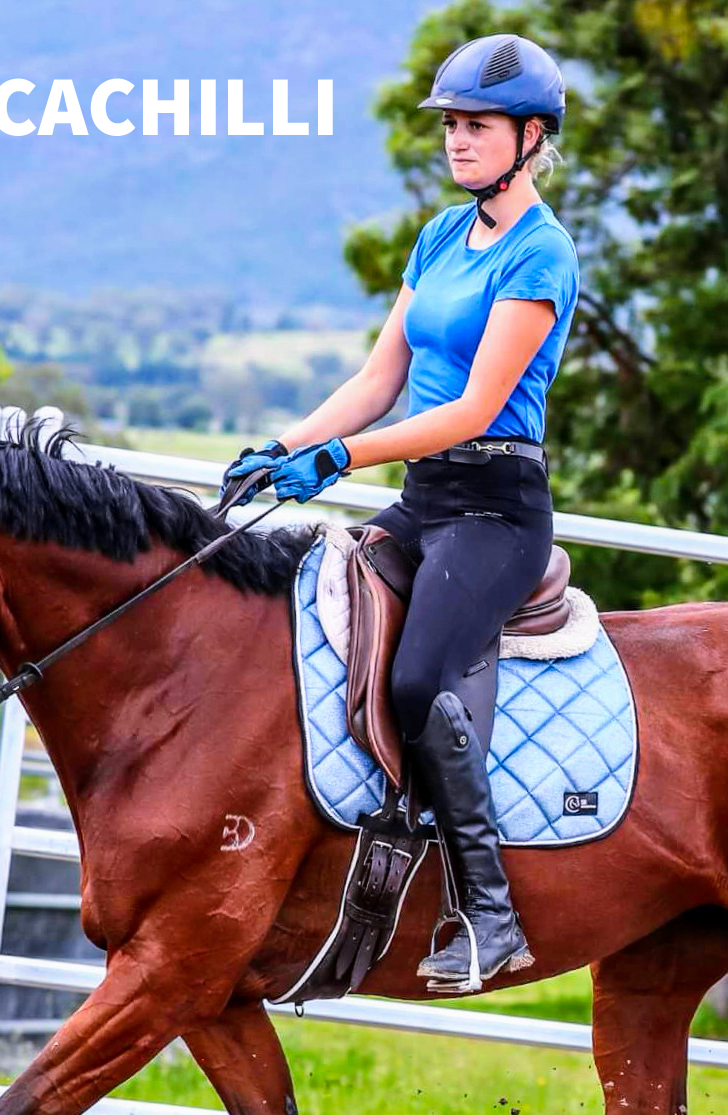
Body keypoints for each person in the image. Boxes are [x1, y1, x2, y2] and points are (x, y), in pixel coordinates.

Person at [225, 33, 579, 992]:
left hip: (495, 513)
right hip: (425, 499)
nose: (457, 140)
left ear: (530, 138)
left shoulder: (542, 254)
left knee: (420, 680)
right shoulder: (439, 238)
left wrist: (342, 459)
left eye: (478, 126)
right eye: (452, 125)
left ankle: (491, 914)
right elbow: (379, 380)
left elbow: (471, 410)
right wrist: (285, 446)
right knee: (306, 609)